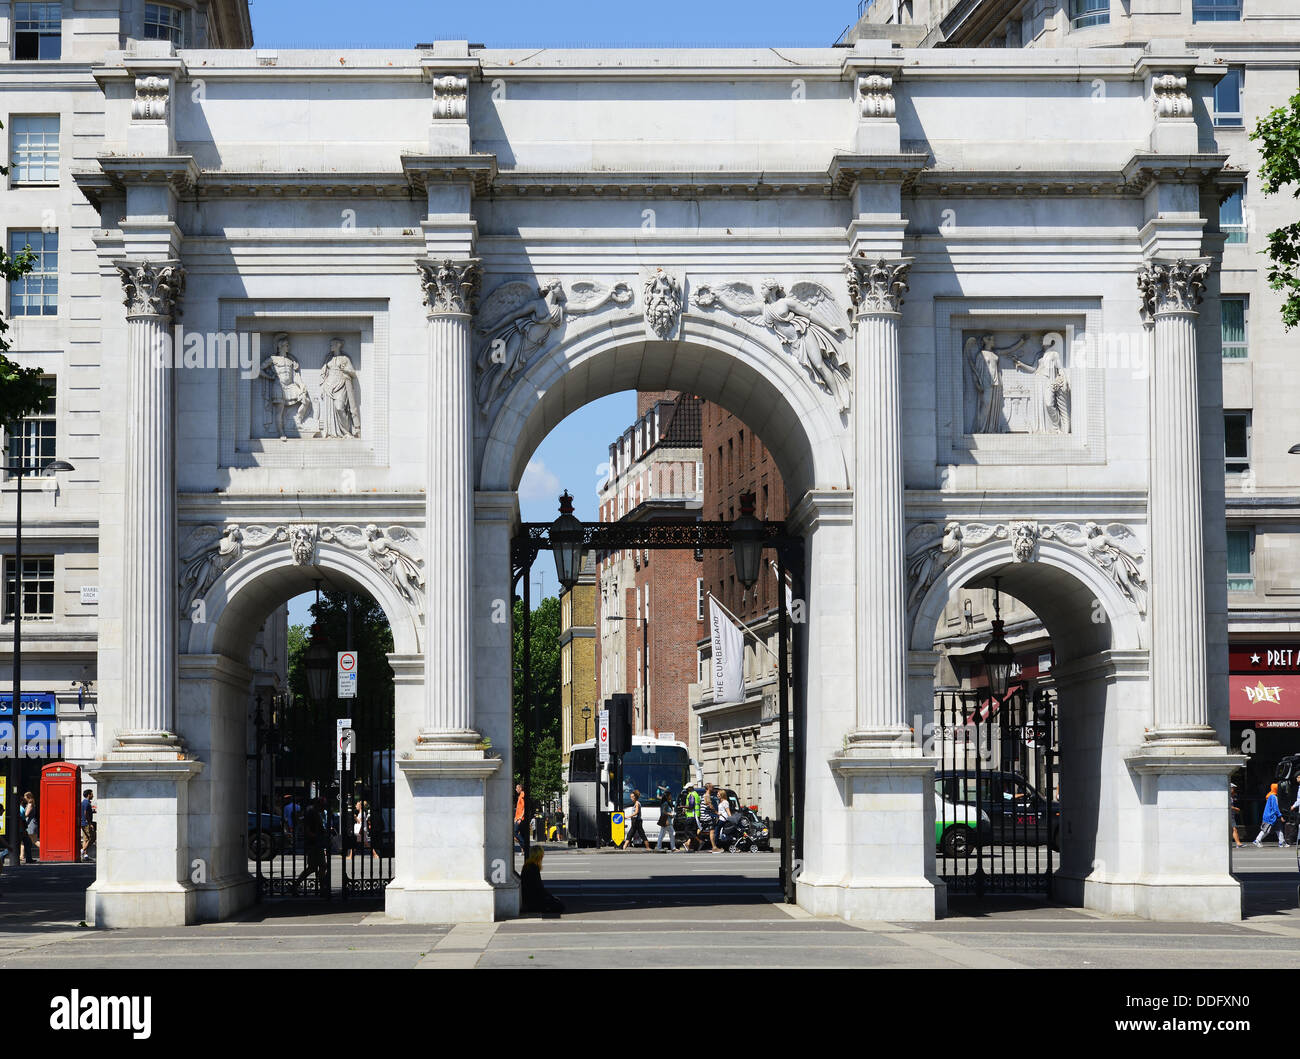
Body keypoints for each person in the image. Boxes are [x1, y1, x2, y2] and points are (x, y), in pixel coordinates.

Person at [293, 798, 330, 896]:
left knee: (316, 867)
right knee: (317, 866)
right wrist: (315, 836)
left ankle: (321, 888)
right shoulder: (311, 813)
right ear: (319, 805)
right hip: (314, 844)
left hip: (316, 843)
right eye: (323, 805)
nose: (324, 808)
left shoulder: (314, 812)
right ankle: (321, 888)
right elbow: (307, 829)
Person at [519, 847, 564, 914]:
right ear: (538, 856)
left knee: (557, 903)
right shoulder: (533, 867)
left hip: (529, 898)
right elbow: (540, 888)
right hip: (533, 900)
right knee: (560, 906)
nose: (543, 857)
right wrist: (551, 897)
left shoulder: (528, 865)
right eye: (542, 855)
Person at [1253, 783, 1288, 847]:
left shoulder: (1270, 796)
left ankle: (1282, 842)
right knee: (1265, 830)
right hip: (1270, 817)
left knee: (1278, 829)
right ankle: (1257, 840)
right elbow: (1275, 808)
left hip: (1272, 816)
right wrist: (1280, 816)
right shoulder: (1273, 797)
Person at [655, 784, 676, 851]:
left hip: (668, 821)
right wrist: (670, 814)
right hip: (666, 821)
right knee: (666, 834)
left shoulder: (667, 802)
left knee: (670, 834)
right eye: (670, 795)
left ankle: (672, 847)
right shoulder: (665, 803)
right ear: (667, 796)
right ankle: (659, 847)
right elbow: (663, 812)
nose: (671, 796)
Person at [19, 792, 38, 864]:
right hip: (28, 823)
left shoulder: (30, 804)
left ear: (28, 797)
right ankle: (21, 856)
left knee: (34, 841)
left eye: (25, 796)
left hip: (30, 824)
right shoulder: (30, 804)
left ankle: (43, 850)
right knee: (23, 841)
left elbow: (26, 814)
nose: (24, 798)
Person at [80, 789, 96, 861]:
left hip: (83, 822)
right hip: (87, 823)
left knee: (85, 839)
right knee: (92, 838)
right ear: (89, 794)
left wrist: (92, 811)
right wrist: (90, 823)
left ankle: (85, 855)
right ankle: (82, 850)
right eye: (92, 794)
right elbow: (85, 813)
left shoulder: (83, 802)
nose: (93, 795)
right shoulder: (86, 803)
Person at [1230, 783, 1243, 849]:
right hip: (1229, 816)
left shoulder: (1231, 796)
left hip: (1231, 815)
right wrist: (1235, 808)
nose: (1233, 790)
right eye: (1232, 788)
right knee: (1234, 829)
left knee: (1233, 829)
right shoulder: (1227, 796)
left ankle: (1238, 843)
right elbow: (1227, 805)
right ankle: (1238, 843)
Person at [514, 784, 527, 852]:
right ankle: (523, 849)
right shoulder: (520, 796)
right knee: (521, 833)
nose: (516, 789)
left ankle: (525, 845)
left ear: (520, 788)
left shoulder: (522, 795)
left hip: (520, 818)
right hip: (518, 818)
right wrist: (515, 818)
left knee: (515, 832)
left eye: (517, 788)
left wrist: (520, 818)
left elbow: (524, 808)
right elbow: (519, 809)